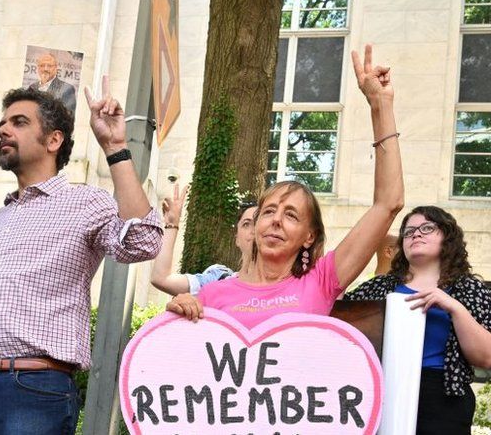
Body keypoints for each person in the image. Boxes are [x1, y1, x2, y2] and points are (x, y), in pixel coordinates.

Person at [0, 78, 163, 433]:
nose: (4, 129)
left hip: (34, 390)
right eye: (2, 123)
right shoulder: (2, 216)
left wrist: (114, 147)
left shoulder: (85, 201)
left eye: (19, 122)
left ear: (54, 140)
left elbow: (143, 240)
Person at [166, 44, 404, 328]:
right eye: (268, 212)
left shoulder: (322, 281)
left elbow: (389, 203)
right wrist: (179, 314)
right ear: (254, 226)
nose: (276, 220)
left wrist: (381, 105)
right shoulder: (212, 295)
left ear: (309, 237)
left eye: (291, 215)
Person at [346, 206, 491, 435]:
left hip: (444, 398)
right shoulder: (378, 287)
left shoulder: (468, 289)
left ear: (448, 237)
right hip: (383, 391)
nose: (416, 234)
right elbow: (343, 332)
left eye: (427, 228)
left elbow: (486, 356)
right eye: (409, 231)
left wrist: (454, 308)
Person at [150, 190, 257, 296]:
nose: (254, 230)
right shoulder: (217, 280)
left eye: (258, 222)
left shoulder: (274, 290)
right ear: (237, 239)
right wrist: (172, 225)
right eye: (246, 224)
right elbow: (161, 279)